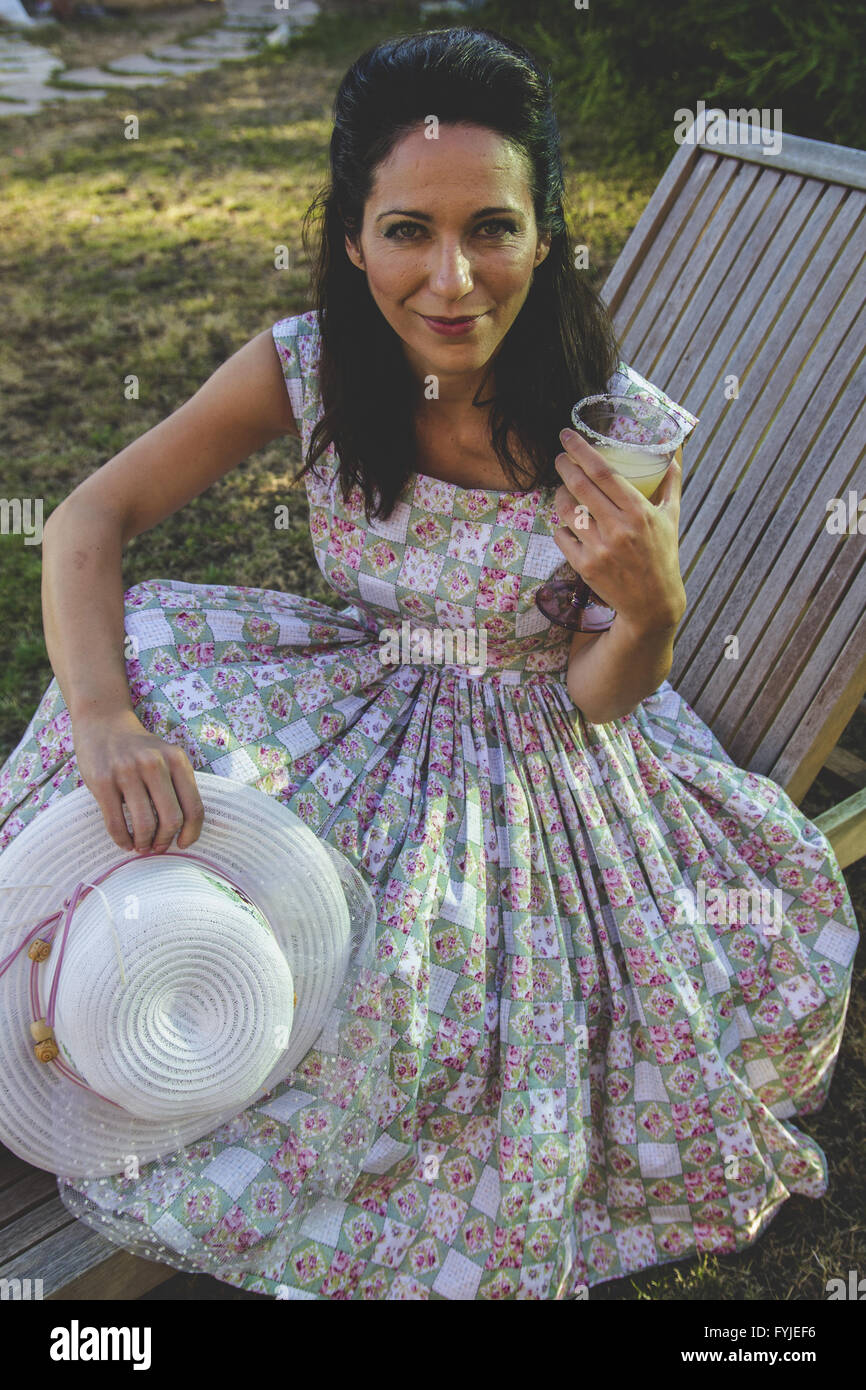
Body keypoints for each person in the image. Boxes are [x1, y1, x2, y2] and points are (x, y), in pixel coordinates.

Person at [0, 25, 858, 1301]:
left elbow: (600, 696)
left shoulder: (610, 430)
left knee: (418, 977)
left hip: (539, 755)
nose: (451, 278)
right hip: (363, 693)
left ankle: (231, 1071)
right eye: (407, 229)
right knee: (143, 679)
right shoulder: (305, 365)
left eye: (492, 229)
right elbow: (85, 521)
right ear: (352, 237)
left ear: (545, 233)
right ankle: (83, 996)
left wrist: (649, 612)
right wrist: (107, 715)